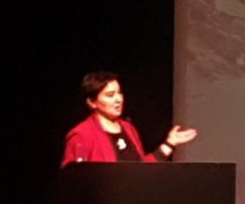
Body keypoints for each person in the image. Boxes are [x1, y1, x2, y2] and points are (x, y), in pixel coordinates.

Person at [61, 71, 197, 167]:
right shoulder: (82, 134)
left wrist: (169, 144)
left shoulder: (129, 129)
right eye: (110, 95)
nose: (118, 99)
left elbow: (141, 169)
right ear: (92, 102)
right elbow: (73, 181)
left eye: (119, 93)